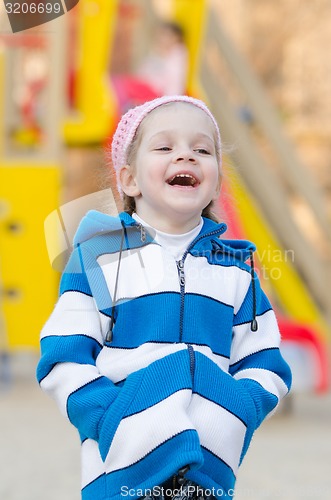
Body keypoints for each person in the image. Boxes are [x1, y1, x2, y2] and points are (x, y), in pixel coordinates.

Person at [37, 95, 292, 500]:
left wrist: (237, 410)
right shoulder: (100, 258)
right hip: (120, 466)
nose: (186, 156)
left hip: (207, 471)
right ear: (129, 180)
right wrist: (108, 419)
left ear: (216, 183)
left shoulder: (236, 270)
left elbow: (265, 361)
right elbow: (63, 354)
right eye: (165, 146)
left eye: (202, 150)